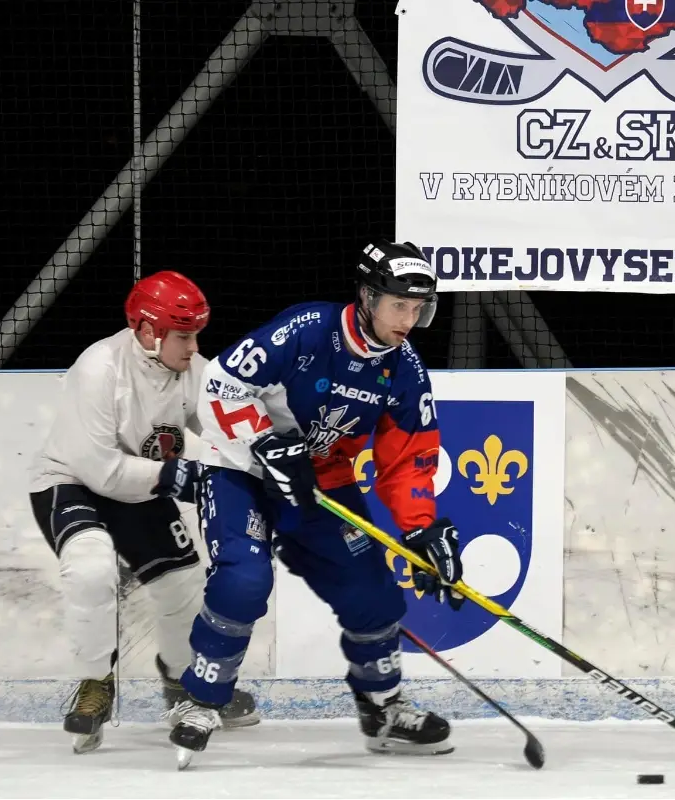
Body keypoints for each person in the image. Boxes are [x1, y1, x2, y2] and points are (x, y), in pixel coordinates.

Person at [166, 240, 465, 766]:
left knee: (372, 593)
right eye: (400, 306)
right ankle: (201, 699)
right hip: (240, 469)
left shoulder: (405, 370)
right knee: (244, 580)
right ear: (368, 298)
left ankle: (383, 708)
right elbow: (220, 385)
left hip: (321, 482)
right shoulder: (306, 329)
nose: (410, 321)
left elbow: (409, 458)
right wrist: (263, 441)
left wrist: (422, 528)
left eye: (419, 309)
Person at [28, 270, 259, 754]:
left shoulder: (190, 368)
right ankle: (96, 682)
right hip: (71, 483)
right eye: (184, 335)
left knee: (184, 585)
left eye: (197, 334)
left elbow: (228, 425)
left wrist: (270, 461)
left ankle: (180, 683)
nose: (194, 347)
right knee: (91, 570)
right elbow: (100, 470)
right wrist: (180, 477)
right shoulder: (100, 368)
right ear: (149, 331)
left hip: (138, 488)